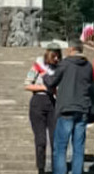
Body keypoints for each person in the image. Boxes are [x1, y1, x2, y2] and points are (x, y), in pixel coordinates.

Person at [44, 39, 94, 174]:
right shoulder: (88, 66)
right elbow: (93, 88)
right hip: (83, 109)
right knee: (78, 148)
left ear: (71, 49)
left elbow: (52, 82)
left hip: (66, 109)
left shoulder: (65, 64)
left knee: (60, 148)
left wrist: (45, 76)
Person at [24, 42, 62, 174]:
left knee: (55, 139)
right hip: (38, 103)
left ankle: (56, 168)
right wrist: (44, 88)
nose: (56, 59)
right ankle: (41, 168)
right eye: (54, 56)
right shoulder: (38, 65)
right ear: (48, 54)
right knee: (41, 140)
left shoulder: (60, 68)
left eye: (58, 56)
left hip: (53, 104)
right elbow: (27, 85)